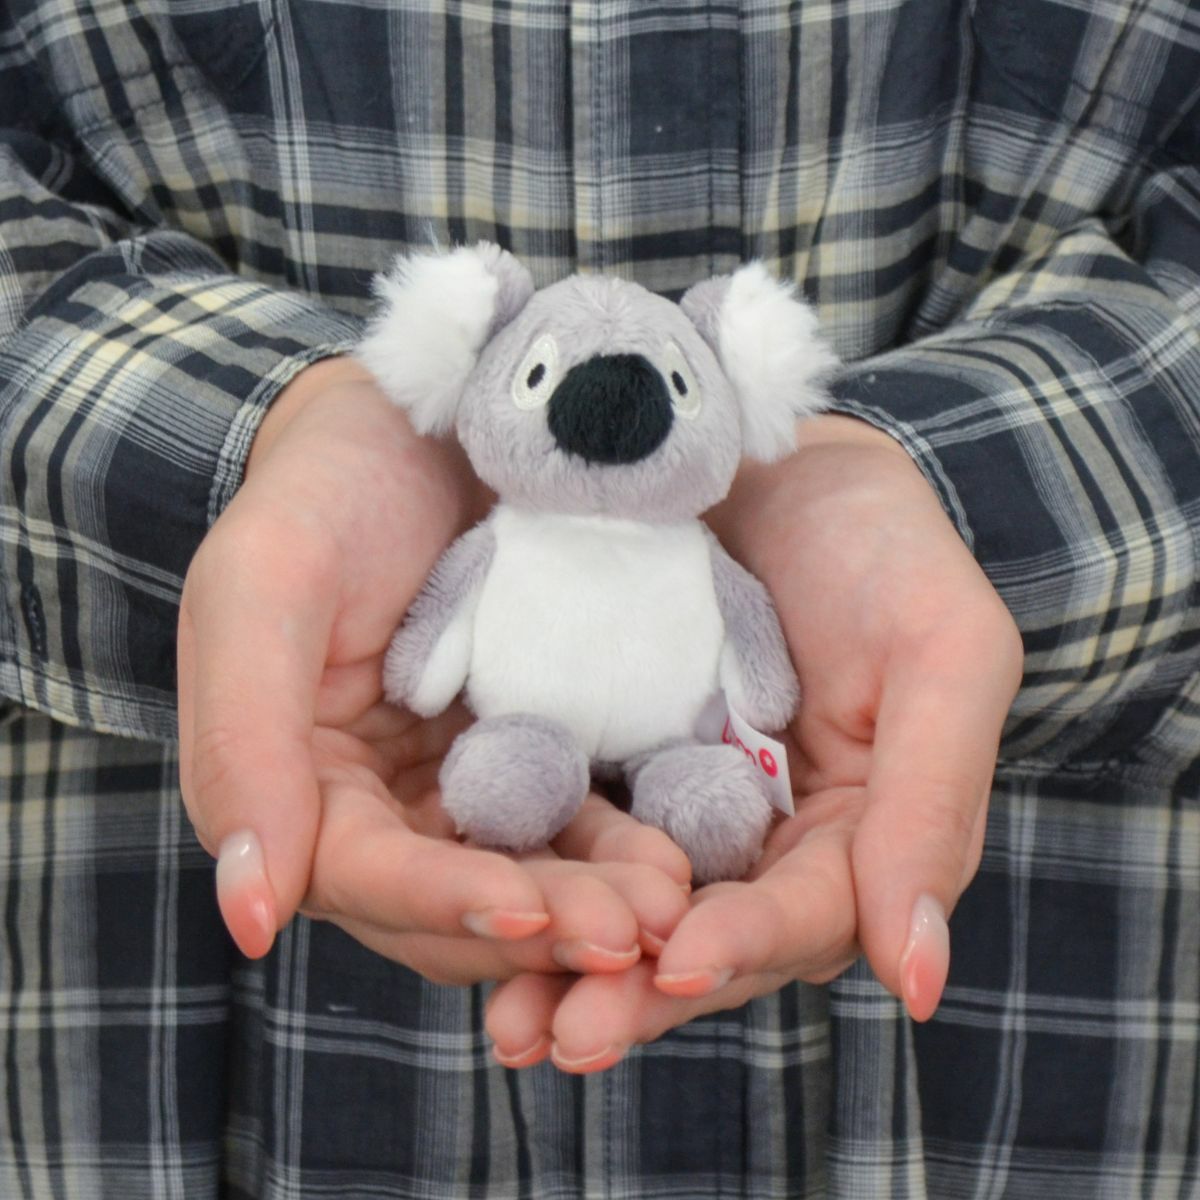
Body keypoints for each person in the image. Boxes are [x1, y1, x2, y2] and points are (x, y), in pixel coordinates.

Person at [1, 1, 1196, 1196]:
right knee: (508, 763)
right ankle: (528, 765)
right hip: (139, 946)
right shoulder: (499, 540)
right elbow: (430, 646)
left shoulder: (705, 560)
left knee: (699, 782)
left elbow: (759, 662)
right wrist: (273, 429)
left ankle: (686, 782)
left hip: (1048, 975)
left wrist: (935, 486)